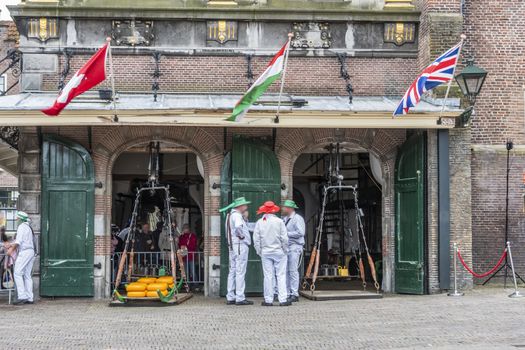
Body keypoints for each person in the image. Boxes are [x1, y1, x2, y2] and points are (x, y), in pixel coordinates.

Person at [253, 201, 290, 307]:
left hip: (265, 251)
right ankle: (283, 299)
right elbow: (285, 238)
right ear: (274, 210)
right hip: (279, 251)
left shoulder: (260, 222)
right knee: (281, 275)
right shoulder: (279, 221)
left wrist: (259, 251)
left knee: (268, 276)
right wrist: (285, 250)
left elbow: (256, 239)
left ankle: (268, 300)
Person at [219, 197, 253, 306]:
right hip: (239, 245)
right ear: (240, 206)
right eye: (244, 205)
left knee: (233, 271)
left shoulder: (230, 215)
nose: (246, 206)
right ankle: (240, 297)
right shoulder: (237, 216)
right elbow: (239, 228)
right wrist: (242, 237)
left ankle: (230, 296)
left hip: (233, 245)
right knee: (240, 271)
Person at [7, 211, 36, 305]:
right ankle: (29, 297)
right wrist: (11, 244)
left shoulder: (21, 227)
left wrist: (11, 249)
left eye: (17, 218)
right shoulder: (28, 227)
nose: (16, 220)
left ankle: (22, 296)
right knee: (27, 275)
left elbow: (18, 242)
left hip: (24, 252)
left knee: (17, 273)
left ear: (20, 219)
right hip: (31, 251)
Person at [281, 199, 305, 302]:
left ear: (290, 209)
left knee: (293, 270)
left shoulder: (297, 218)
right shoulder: (285, 218)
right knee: (286, 271)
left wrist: (286, 233)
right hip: (287, 247)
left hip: (295, 247)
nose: (283, 209)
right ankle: (287, 292)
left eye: (285, 207)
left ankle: (294, 293)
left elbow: (301, 232)